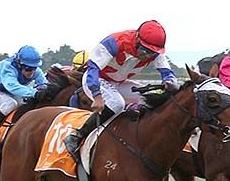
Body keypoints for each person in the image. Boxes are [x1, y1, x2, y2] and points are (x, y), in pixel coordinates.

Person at [64, 19, 179, 157]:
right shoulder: (114, 42)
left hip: (119, 83)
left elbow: (168, 73)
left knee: (151, 97)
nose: (147, 56)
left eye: (152, 53)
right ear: (137, 39)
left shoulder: (155, 51)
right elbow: (93, 68)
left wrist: (169, 82)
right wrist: (97, 96)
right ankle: (77, 136)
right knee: (117, 103)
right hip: (96, 79)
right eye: (145, 51)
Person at [0, 45, 48, 148]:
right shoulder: (8, 67)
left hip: (8, 93)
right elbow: (12, 86)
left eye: (34, 68)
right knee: (10, 104)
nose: (32, 72)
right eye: (28, 69)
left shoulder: (35, 70)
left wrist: (44, 89)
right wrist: (35, 93)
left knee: (26, 103)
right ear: (19, 64)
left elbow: (44, 84)